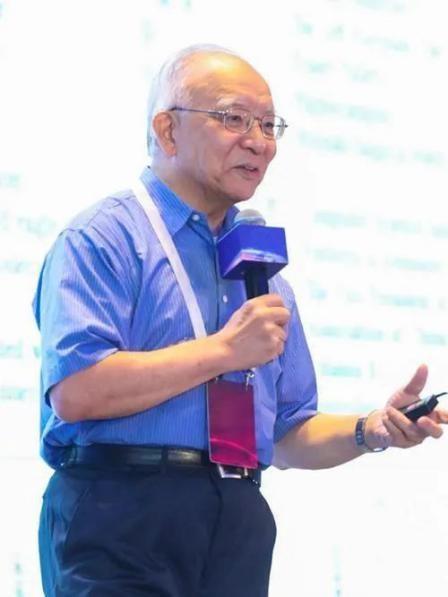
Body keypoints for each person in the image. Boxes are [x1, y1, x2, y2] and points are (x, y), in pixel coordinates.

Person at [33, 44, 448, 597]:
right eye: (234, 118)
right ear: (168, 130)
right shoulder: (103, 239)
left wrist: (371, 430)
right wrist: (226, 351)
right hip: (120, 508)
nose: (259, 142)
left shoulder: (261, 273)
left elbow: (288, 432)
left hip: (236, 517)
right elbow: (77, 391)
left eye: (269, 125)